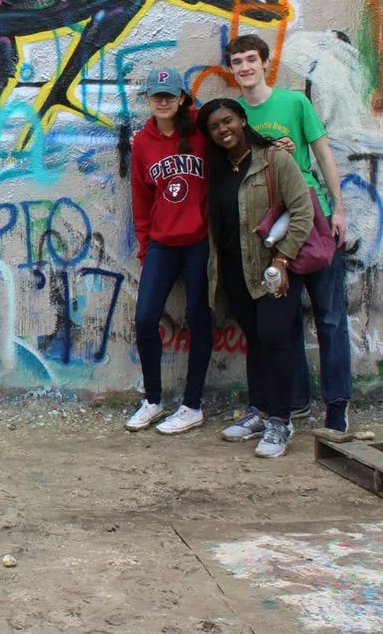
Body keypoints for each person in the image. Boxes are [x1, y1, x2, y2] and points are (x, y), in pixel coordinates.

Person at [227, 33, 351, 433]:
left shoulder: (295, 102)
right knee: (288, 320)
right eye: (237, 62)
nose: (245, 67)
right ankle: (295, 401)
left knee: (330, 316)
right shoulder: (236, 116)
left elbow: (323, 154)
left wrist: (339, 209)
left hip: (314, 216)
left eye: (251, 59)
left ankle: (337, 404)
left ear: (266, 62)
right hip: (276, 231)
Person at [198, 99, 315, 459]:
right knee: (255, 338)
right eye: (214, 127)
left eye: (228, 121)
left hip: (273, 268)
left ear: (243, 121)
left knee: (276, 336)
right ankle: (261, 410)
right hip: (235, 268)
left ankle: (281, 420)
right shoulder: (218, 167)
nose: (223, 130)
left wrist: (282, 259)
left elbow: (302, 211)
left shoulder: (274, 159)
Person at [126, 67, 212, 435]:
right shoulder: (142, 142)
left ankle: (192, 405)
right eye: (155, 95)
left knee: (199, 317)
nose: (162, 101)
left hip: (198, 241)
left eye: (169, 95)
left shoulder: (201, 131)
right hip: (162, 243)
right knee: (145, 318)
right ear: (148, 99)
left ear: (181, 99)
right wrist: (146, 247)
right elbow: (141, 201)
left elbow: (235, 138)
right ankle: (153, 400)